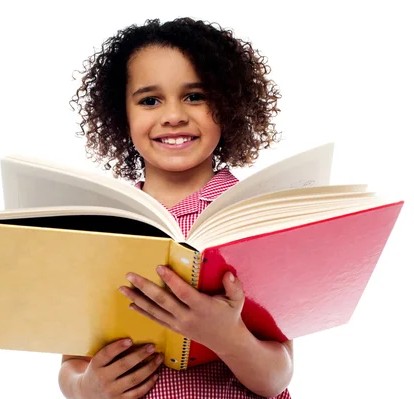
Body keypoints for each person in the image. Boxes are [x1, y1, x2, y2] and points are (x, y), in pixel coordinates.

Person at [59, 17, 293, 398]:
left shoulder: (255, 215)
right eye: (150, 100)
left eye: (195, 96)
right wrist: (87, 388)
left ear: (228, 105)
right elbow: (71, 363)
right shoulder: (103, 223)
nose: (173, 116)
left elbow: (277, 376)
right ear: (122, 114)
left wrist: (227, 337)